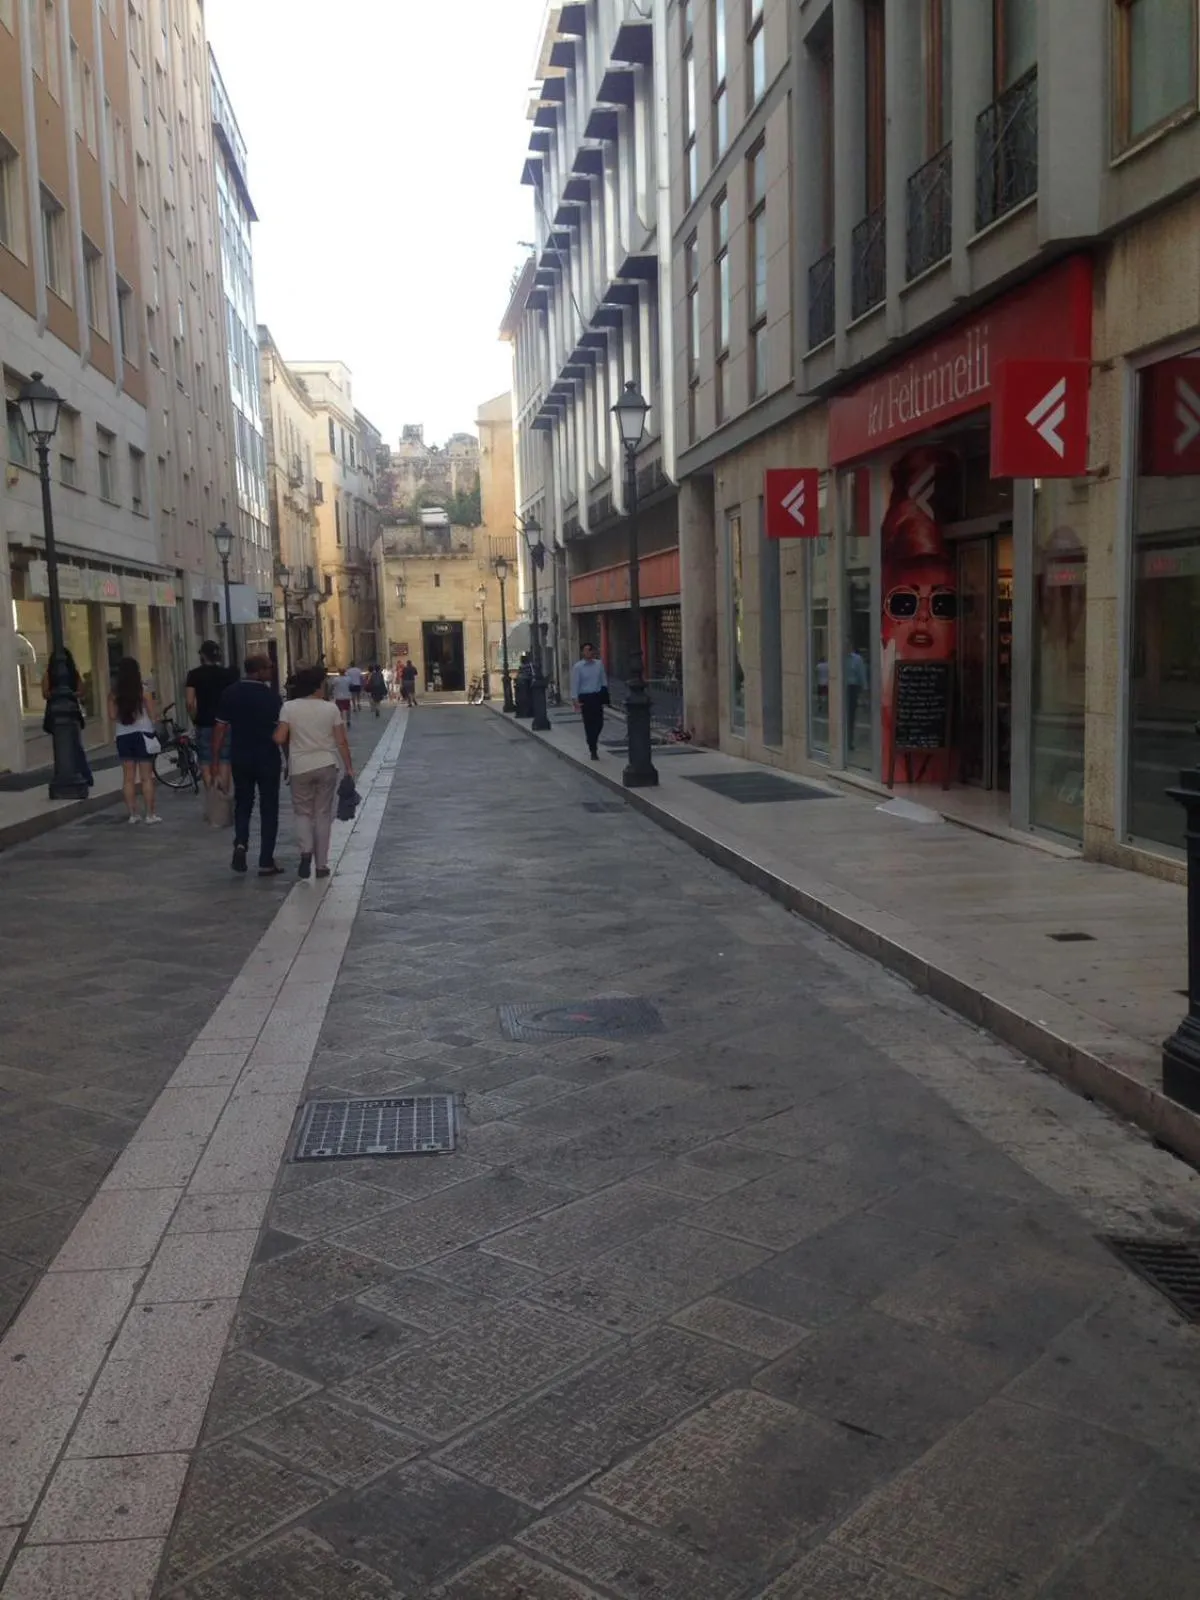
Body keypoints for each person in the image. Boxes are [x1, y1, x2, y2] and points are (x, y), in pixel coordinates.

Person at [274, 664, 354, 880]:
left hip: (300, 767)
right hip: (326, 764)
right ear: (318, 686)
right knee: (322, 814)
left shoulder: (289, 707)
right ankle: (321, 865)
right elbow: (341, 741)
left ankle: (305, 851)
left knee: (302, 813)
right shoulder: (331, 708)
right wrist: (349, 767)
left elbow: (280, 738)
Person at [211, 655, 283, 876]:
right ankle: (265, 860)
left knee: (243, 804)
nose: (271, 671)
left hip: (240, 757)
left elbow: (220, 730)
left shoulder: (230, 693)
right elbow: (282, 732)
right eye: (269, 668)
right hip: (268, 758)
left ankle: (241, 843)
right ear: (258, 671)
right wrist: (289, 759)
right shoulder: (272, 697)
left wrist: (215, 761)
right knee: (269, 808)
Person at [109, 657, 161, 825]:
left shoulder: (114, 693)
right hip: (143, 735)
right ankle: (150, 814)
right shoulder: (143, 690)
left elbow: (111, 716)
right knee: (146, 777)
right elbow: (153, 715)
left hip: (123, 736)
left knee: (128, 778)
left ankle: (133, 814)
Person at [185, 641, 236, 787]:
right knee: (224, 759)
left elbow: (190, 703)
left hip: (204, 723)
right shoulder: (227, 674)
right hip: (225, 723)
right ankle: (224, 797)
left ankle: (212, 797)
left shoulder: (194, 675)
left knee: (205, 761)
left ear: (202, 655)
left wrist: (194, 718)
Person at [41, 648, 92, 788]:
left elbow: (45, 693)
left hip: (57, 711)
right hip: (70, 710)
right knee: (76, 744)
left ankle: (74, 773)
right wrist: (71, 695)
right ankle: (83, 774)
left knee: (63, 744)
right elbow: (81, 691)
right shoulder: (72, 674)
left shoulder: (49, 674)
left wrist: (58, 695)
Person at [571, 641, 609, 760]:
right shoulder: (578, 667)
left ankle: (593, 739)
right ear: (582, 652)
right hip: (585, 698)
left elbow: (603, 680)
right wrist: (575, 699)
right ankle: (593, 748)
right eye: (586, 650)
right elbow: (575, 683)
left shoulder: (599, 664)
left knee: (599, 723)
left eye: (590, 650)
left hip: (596, 696)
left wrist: (605, 694)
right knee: (589, 723)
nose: (589, 652)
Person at [846, 647, 868, 752]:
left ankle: (849, 741)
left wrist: (864, 693)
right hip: (840, 689)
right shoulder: (838, 658)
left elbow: (862, 676)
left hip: (852, 689)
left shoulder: (857, 659)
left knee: (850, 717)